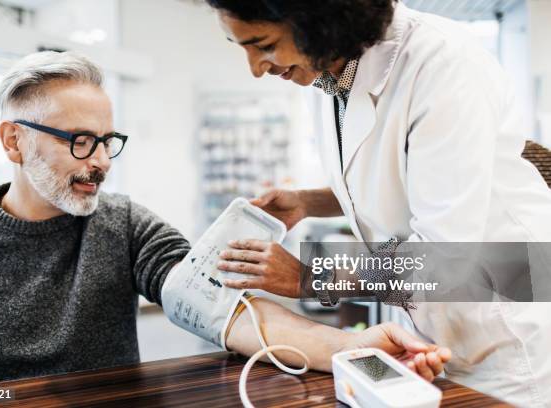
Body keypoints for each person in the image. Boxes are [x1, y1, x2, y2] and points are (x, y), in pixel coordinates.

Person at [0, 51, 449, 387]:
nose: (101, 161)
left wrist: (347, 344)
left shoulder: (122, 224)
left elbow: (219, 308)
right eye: (80, 141)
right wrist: (6, 401)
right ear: (13, 140)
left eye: (107, 141)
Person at [206, 0, 551, 406]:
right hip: (437, 327)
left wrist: (313, 276)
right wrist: (308, 202)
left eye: (263, 45)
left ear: (319, 19)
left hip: (510, 329)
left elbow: (447, 255)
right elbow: (396, 177)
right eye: (240, 46)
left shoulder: (442, 65)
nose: (255, 67)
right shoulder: (327, 76)